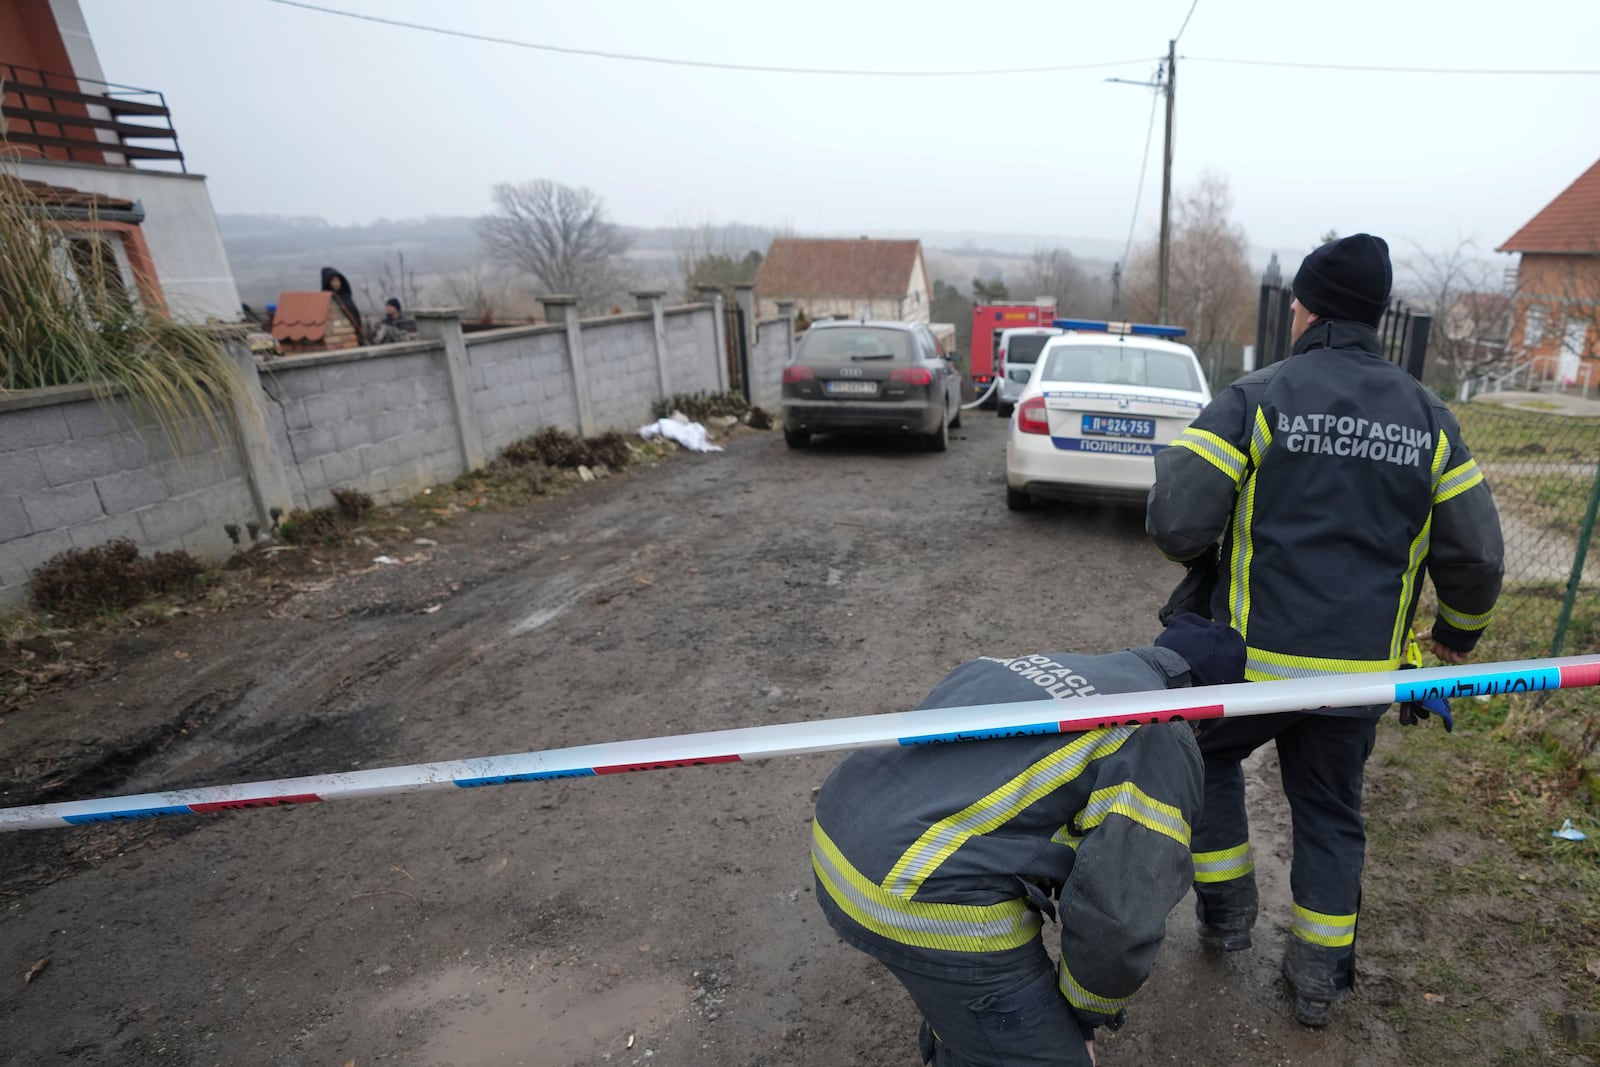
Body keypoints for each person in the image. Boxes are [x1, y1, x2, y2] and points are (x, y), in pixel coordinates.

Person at [1144, 233, 1504, 1027]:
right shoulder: (1429, 416)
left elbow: (1174, 520)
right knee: (1332, 814)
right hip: (1359, 681)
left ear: (1305, 308)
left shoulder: (1258, 396)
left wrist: (1223, 538)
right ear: (1378, 317)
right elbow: (1476, 555)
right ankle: (1316, 980)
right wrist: (1457, 637)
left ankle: (1227, 913)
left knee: (1204, 758)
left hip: (1252, 669)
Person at [812, 614, 1247, 1066]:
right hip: (914, 889)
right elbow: (1120, 916)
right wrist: (1081, 1016)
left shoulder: (1028, 665)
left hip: (841, 834)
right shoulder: (1158, 735)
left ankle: (964, 1029)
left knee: (970, 1018)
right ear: (1211, 708)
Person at [320, 266, 362, 338]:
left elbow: (355, 314)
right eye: (333, 280)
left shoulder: (346, 297)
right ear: (327, 282)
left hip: (353, 333)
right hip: (336, 334)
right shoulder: (326, 300)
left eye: (338, 280)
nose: (336, 283)